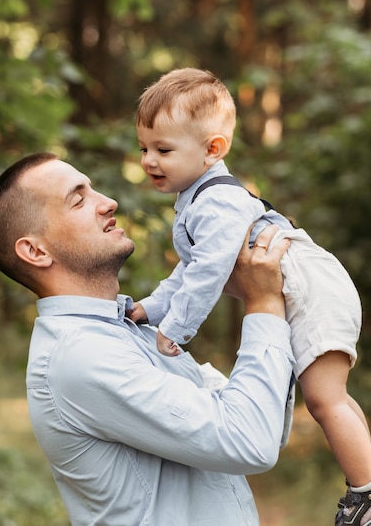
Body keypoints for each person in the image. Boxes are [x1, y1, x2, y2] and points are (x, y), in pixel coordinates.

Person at [0, 151, 296, 526]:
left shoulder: (131, 330)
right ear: (35, 251)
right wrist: (263, 304)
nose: (108, 202)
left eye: (93, 189)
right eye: (78, 199)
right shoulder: (82, 357)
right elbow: (248, 441)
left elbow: (263, 426)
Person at [131, 68, 371, 526]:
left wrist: (174, 328)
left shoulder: (215, 202)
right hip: (312, 284)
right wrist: (151, 307)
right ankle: (368, 483)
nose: (148, 160)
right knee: (333, 397)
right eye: (144, 148)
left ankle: (365, 498)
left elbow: (206, 272)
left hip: (309, 286)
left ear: (212, 150)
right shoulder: (199, 198)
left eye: (163, 149)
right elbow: (188, 270)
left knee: (323, 400)